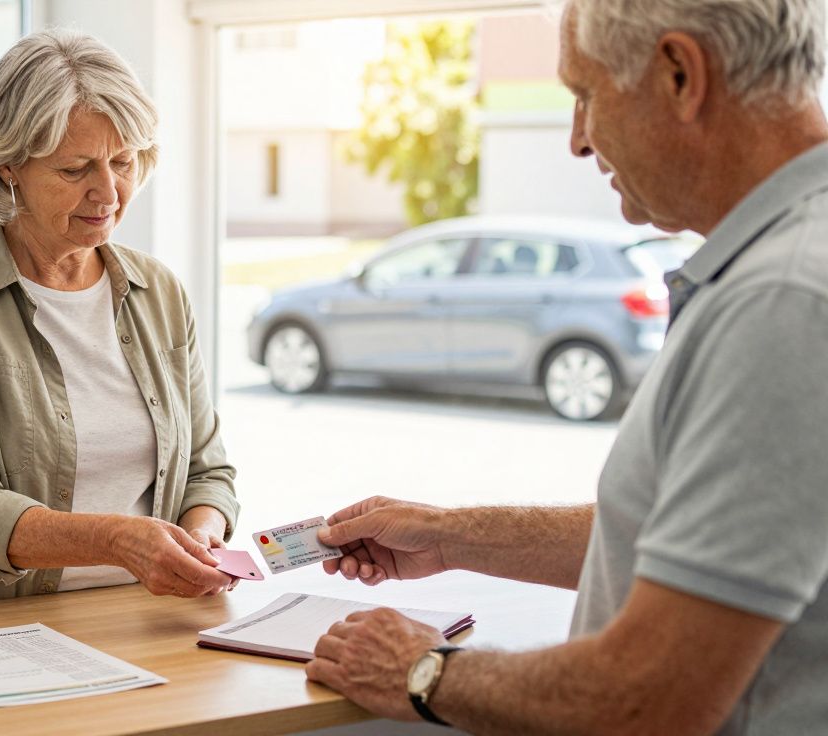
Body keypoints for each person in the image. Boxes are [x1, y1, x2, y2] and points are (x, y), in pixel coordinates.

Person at [305, 1, 828, 733]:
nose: (579, 140)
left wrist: (422, 671)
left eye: (585, 95)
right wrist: (447, 534)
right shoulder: (783, 265)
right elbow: (680, 537)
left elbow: (649, 697)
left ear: (681, 74)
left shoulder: (784, 299)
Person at [0, 29, 238, 609]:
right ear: (8, 170)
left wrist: (200, 537)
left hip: (145, 621)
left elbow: (206, 469)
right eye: (76, 170)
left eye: (124, 162)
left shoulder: (161, 294)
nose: (108, 193)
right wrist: (118, 541)